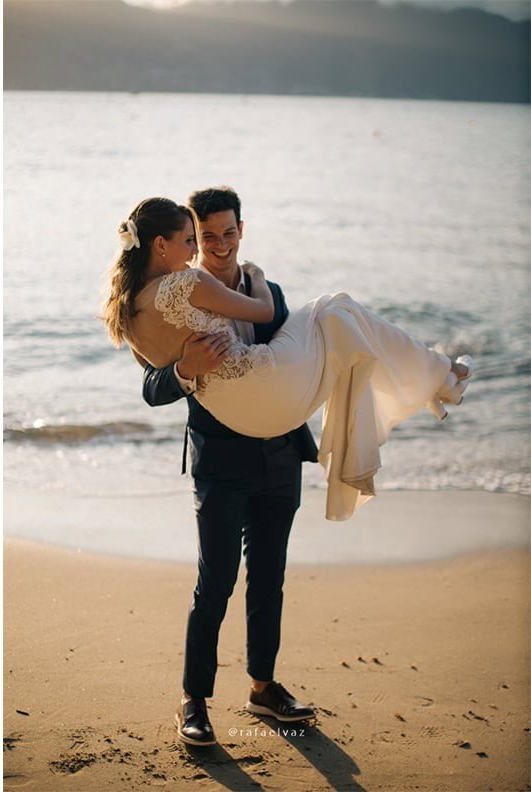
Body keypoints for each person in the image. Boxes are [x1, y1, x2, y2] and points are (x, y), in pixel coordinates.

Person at [103, 189, 470, 746]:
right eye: (207, 237)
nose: (219, 245)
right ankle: (194, 701)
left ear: (241, 231)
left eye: (229, 234)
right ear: (193, 240)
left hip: (279, 455)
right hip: (222, 461)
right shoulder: (173, 294)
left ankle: (263, 687)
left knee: (269, 576)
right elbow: (152, 384)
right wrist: (182, 368)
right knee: (217, 579)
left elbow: (297, 356)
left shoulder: (266, 288)